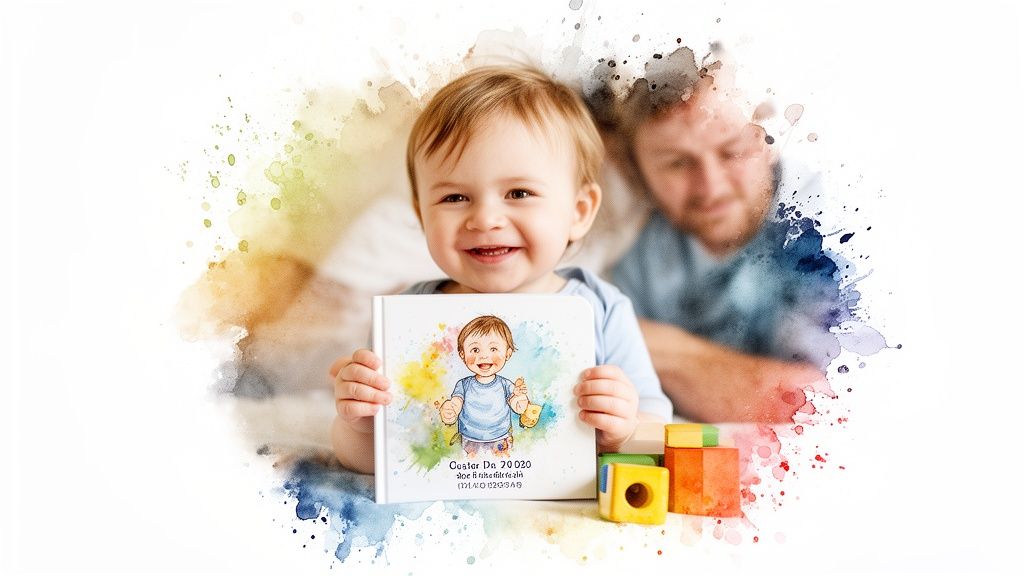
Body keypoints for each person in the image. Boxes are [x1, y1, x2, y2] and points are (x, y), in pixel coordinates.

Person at [329, 65, 673, 474]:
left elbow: (657, 432)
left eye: (519, 193)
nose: (485, 219)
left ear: (579, 212)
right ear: (422, 216)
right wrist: (361, 425)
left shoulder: (601, 309)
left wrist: (623, 431)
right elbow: (376, 463)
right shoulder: (407, 316)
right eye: (455, 198)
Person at [591, 47, 855, 423]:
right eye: (677, 163)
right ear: (637, 171)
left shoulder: (834, 223)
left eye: (732, 151)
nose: (711, 187)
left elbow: (832, 406)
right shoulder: (637, 254)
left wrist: (652, 344)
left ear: (771, 140)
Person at [438, 315, 529, 458]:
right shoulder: (463, 385)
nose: (484, 356)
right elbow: (456, 403)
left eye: (493, 349)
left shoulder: (505, 385)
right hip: (470, 440)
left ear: (507, 353)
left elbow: (518, 407)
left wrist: (521, 399)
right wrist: (449, 411)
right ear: (462, 354)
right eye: (475, 350)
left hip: (501, 439)